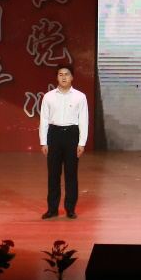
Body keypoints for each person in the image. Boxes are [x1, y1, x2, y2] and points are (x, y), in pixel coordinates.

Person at [39, 65, 88, 219]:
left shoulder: (80, 97)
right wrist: (43, 141)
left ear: (72, 77)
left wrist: (81, 143)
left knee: (71, 174)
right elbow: (44, 120)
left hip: (71, 134)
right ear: (57, 77)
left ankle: (70, 208)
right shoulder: (48, 96)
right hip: (54, 134)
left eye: (67, 74)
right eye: (61, 74)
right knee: (53, 173)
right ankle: (52, 209)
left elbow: (83, 120)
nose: (64, 77)